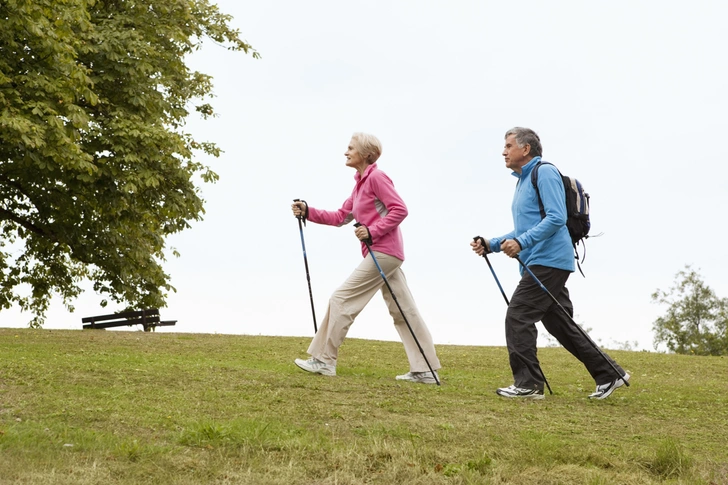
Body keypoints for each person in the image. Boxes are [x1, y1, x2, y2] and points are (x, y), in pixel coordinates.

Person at [471, 127, 630, 400]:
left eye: (509, 146)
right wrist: (492, 243)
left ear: (526, 149)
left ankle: (529, 385)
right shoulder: (522, 180)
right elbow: (525, 227)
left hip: (549, 260)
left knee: (518, 315)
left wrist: (521, 243)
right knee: (561, 325)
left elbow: (556, 218)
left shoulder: (543, 172)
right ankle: (609, 374)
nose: (503, 151)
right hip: (540, 260)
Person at [291, 132, 441, 384]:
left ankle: (325, 360)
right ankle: (425, 369)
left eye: (351, 148)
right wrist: (309, 211)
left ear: (365, 154)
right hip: (385, 253)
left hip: (384, 252)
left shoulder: (377, 178)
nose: (346, 151)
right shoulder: (360, 183)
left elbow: (400, 209)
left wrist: (373, 231)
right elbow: (341, 217)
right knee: (403, 310)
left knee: (341, 298)